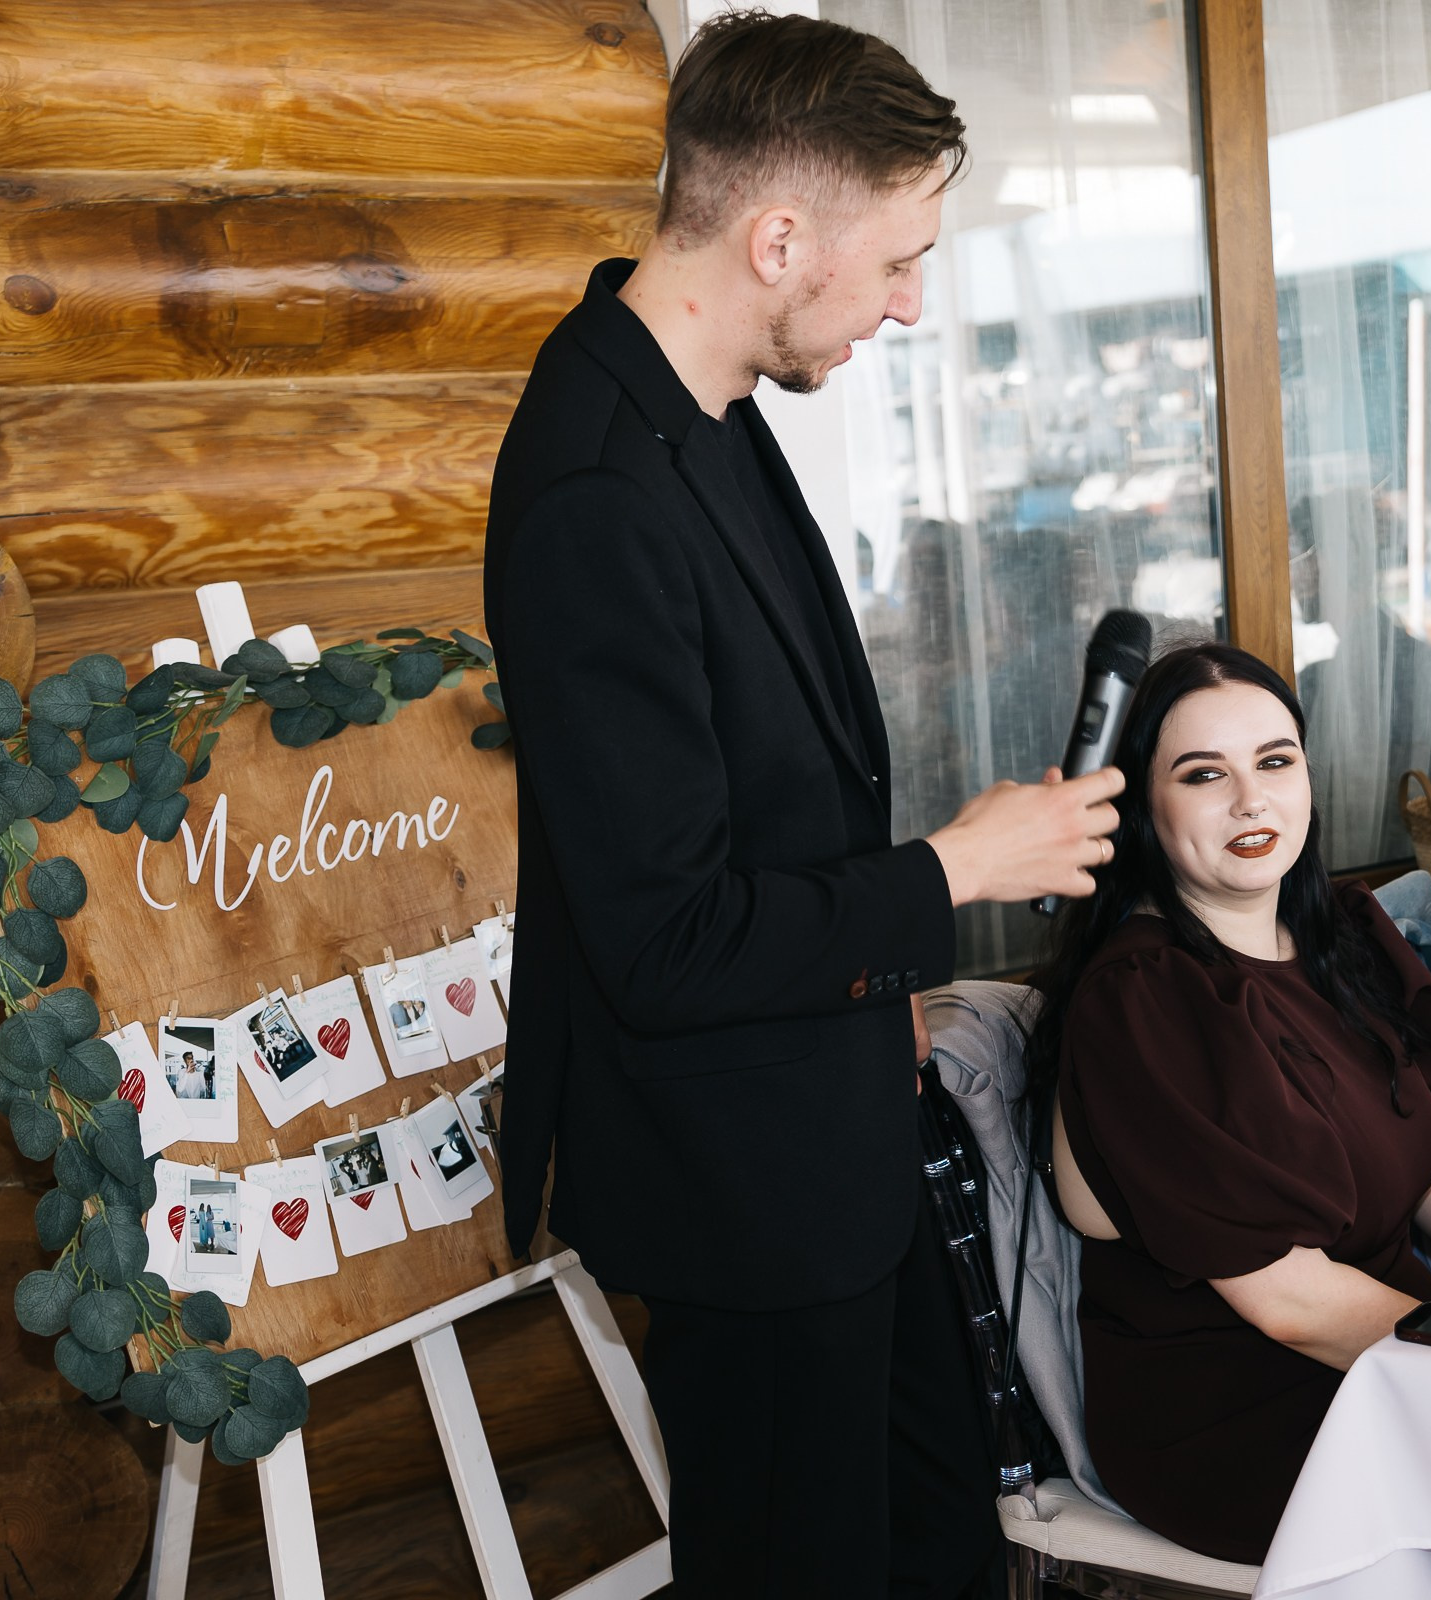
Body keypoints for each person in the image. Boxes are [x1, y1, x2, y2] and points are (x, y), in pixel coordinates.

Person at [481, 13, 1126, 1594]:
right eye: (899, 257)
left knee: (930, 1551)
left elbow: (776, 792)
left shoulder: (701, 408)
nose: (911, 302)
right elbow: (666, 938)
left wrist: (882, 978)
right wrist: (958, 868)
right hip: (736, 1188)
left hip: (830, 1124)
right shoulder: (592, 490)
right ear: (777, 237)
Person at [1031, 643, 1431, 1565]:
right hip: (1240, 1415)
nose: (1251, 800)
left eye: (1275, 762)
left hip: (1387, 1357)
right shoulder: (1145, 996)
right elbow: (1288, 1305)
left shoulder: (1346, 933)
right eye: (1204, 774)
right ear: (1143, 809)